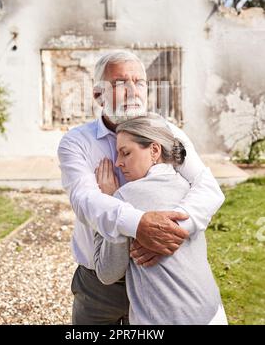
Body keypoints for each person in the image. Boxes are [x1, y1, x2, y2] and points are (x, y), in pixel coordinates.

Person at [57, 51, 225, 325]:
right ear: (99, 95)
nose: (133, 91)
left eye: (140, 82)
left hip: (162, 272)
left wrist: (170, 231)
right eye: (122, 83)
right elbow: (85, 200)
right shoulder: (76, 142)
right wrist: (139, 225)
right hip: (102, 285)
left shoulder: (167, 132)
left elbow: (207, 188)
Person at [93, 114, 228, 325]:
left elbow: (107, 272)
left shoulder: (125, 198)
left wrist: (108, 201)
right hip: (212, 312)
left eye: (125, 153)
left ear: (154, 150)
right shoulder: (187, 187)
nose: (118, 163)